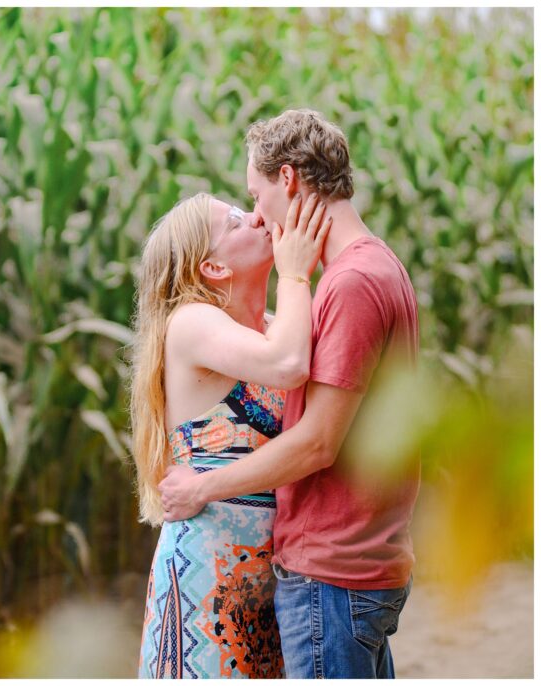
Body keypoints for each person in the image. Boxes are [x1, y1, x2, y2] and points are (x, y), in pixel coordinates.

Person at [158, 109, 421, 679]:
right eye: (239, 216)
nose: (256, 215)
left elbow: (317, 441)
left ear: (289, 182)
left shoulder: (347, 284)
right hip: (283, 573)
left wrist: (295, 276)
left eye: (255, 195)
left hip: (332, 568)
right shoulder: (369, 272)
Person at [132, 187, 331, 678]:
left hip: (269, 579)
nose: (258, 219)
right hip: (210, 574)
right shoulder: (193, 322)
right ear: (214, 268)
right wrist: (294, 272)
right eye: (236, 222)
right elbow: (288, 365)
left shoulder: (268, 327)